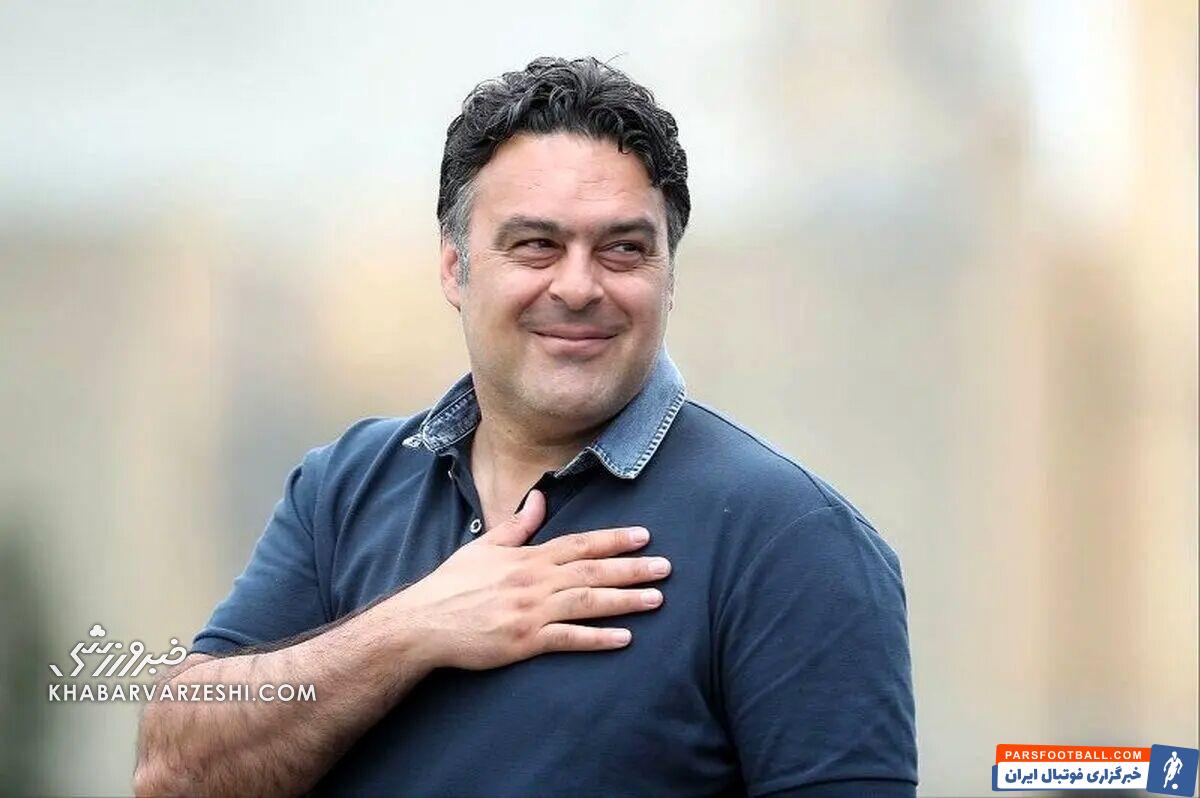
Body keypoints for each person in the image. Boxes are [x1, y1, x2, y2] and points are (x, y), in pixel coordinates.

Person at [134, 55, 918, 797]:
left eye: (623, 249)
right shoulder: (343, 487)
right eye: (536, 245)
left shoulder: (792, 542)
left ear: (669, 275)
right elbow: (174, 772)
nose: (578, 287)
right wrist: (412, 628)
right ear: (455, 268)